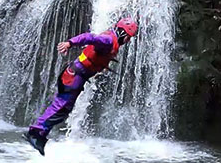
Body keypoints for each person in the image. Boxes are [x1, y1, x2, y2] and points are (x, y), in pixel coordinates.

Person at [23, 17, 139, 156]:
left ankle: (39, 134)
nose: (128, 41)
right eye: (128, 37)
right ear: (123, 33)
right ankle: (35, 133)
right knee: (60, 107)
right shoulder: (108, 40)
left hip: (78, 76)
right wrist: (69, 43)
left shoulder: (111, 40)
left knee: (64, 108)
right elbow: (89, 37)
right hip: (74, 76)